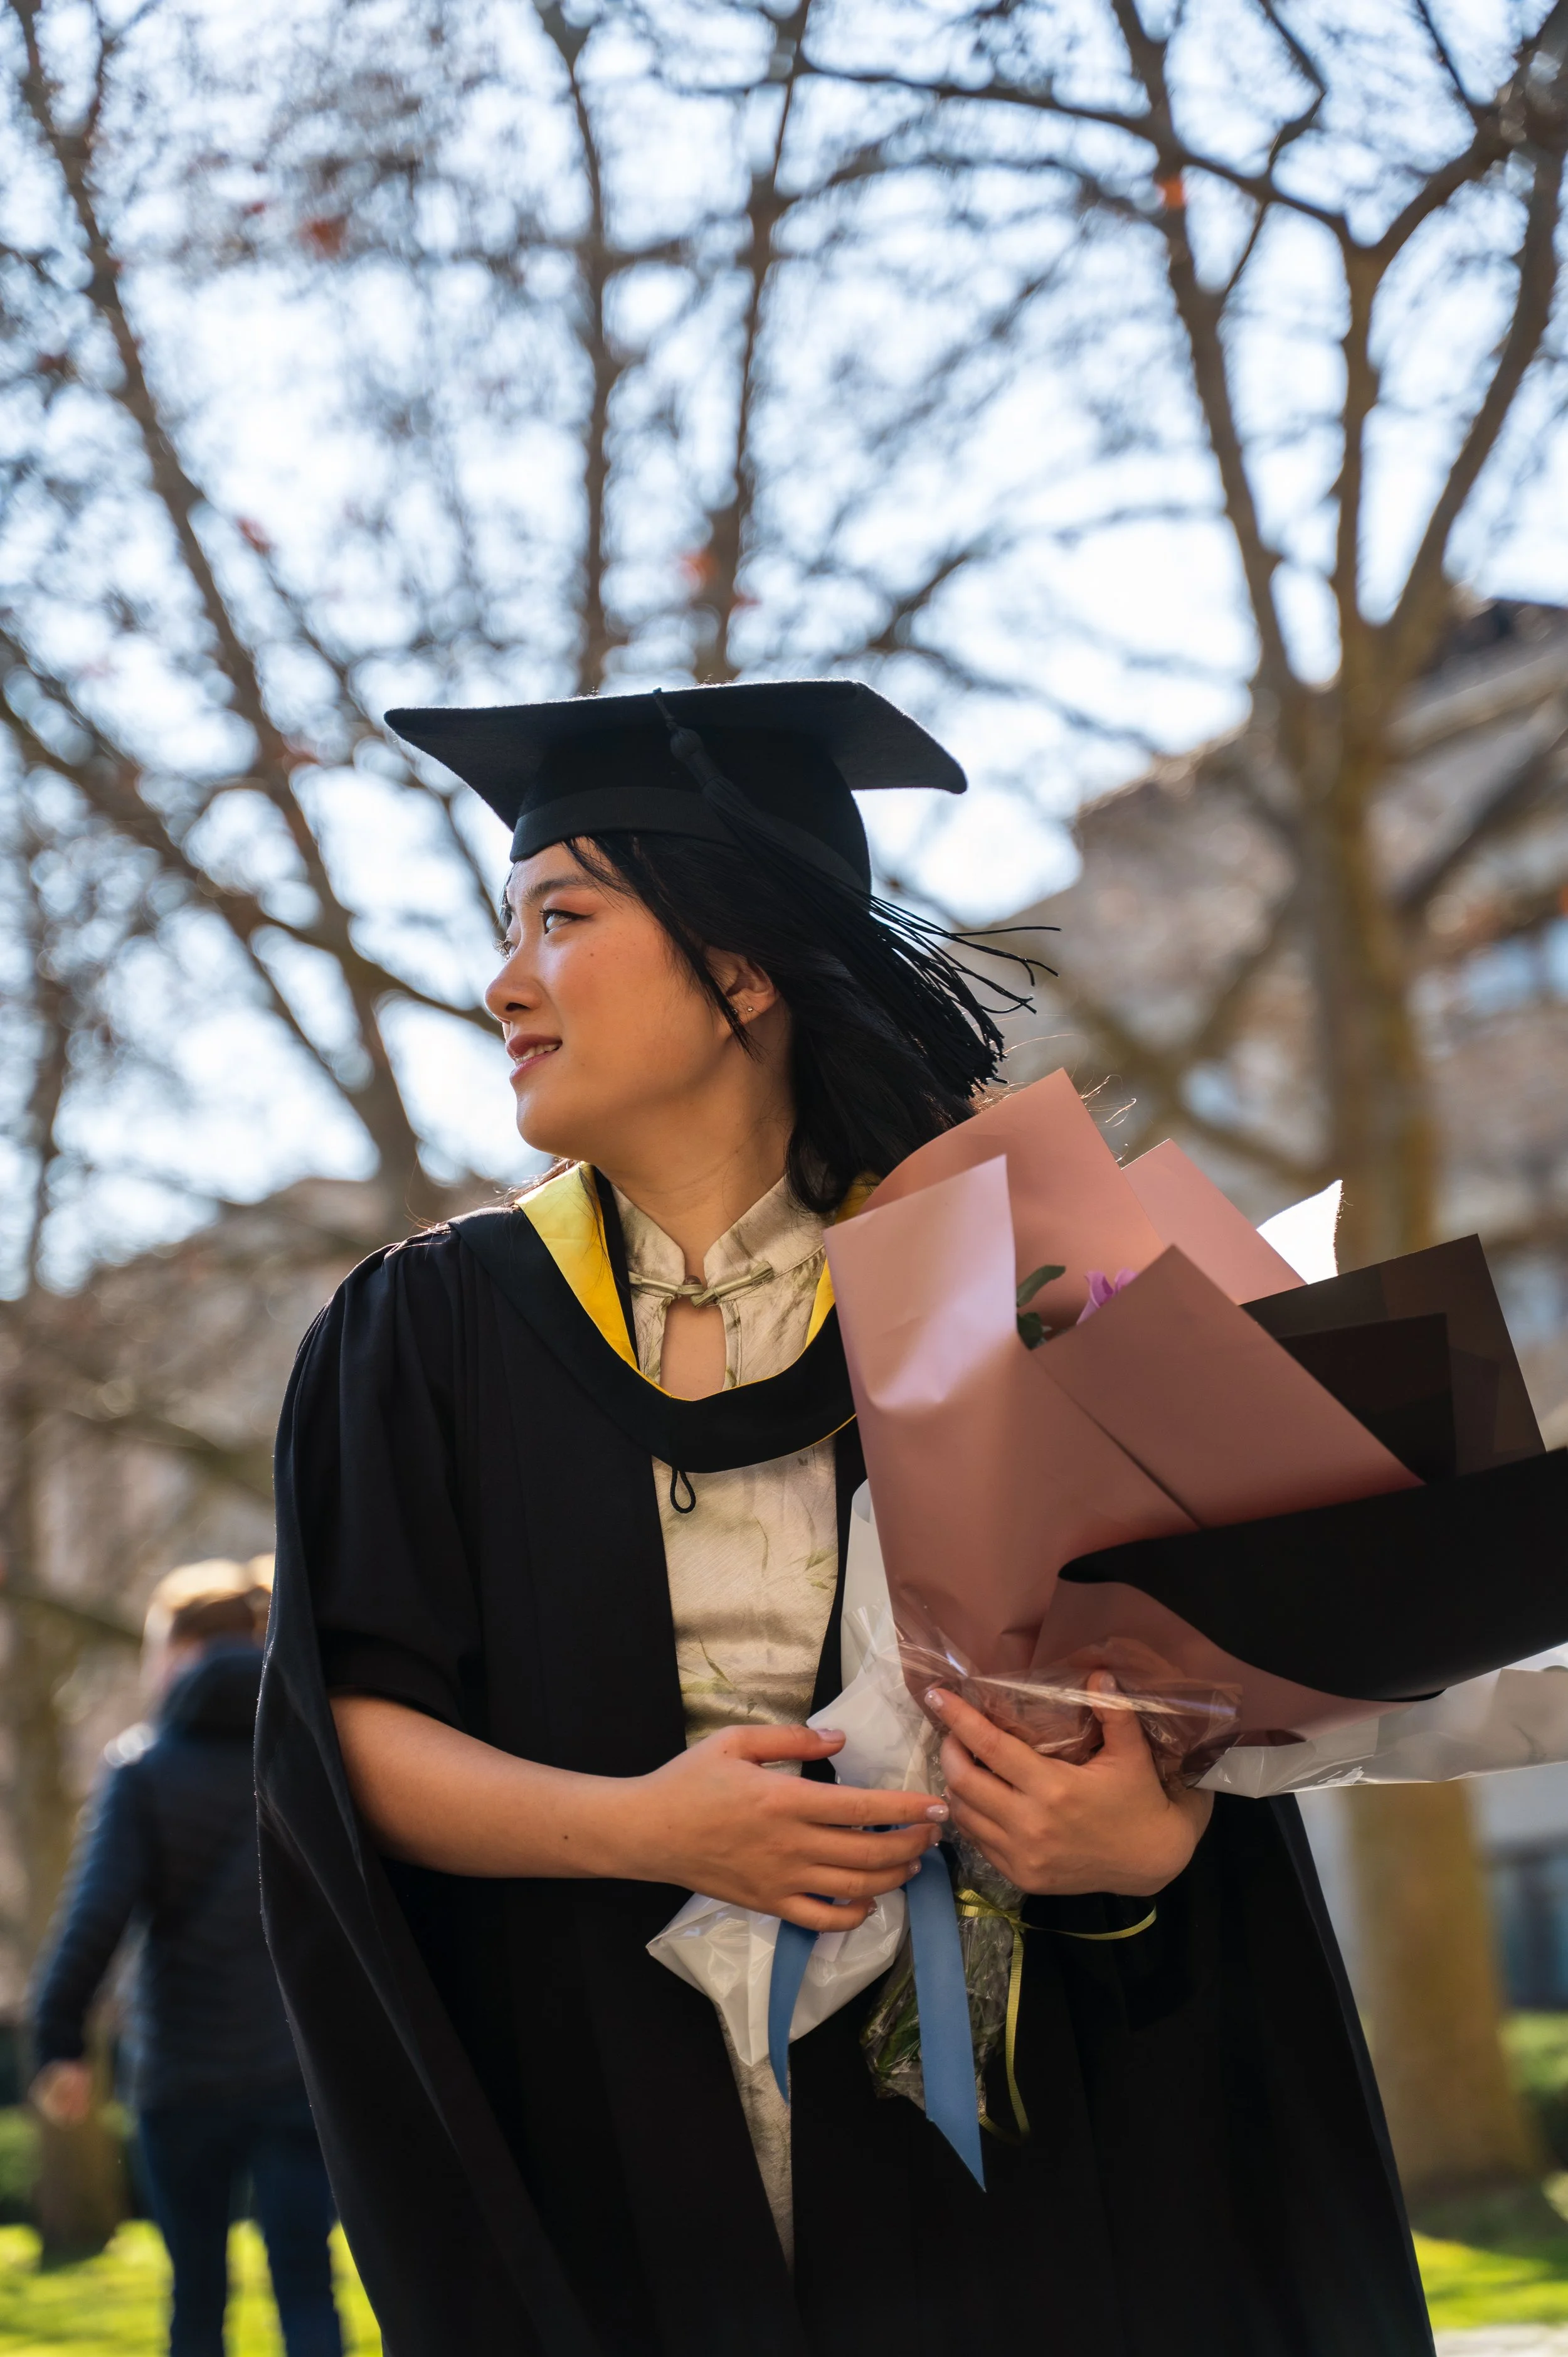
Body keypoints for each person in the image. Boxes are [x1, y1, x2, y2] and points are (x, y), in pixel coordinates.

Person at [258, 681, 1433, 2356]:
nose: (500, 982)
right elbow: (343, 1733)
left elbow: (1203, 1706)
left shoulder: (1021, 1286)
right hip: (618, 2135)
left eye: (560, 919)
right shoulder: (423, 1331)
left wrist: (1147, 1838)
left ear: (739, 965)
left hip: (1019, 2149)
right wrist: (655, 1828)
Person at [31, 1558, 344, 2357]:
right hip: (299, 2066)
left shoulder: (143, 1767)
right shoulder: (316, 1750)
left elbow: (95, 1915)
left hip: (182, 2075)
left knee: (196, 2300)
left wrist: (59, 2039)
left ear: (184, 1651)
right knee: (309, 2290)